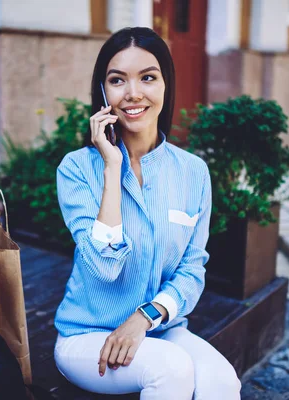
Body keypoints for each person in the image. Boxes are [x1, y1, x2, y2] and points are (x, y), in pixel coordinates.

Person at [53, 27, 242, 399]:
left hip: (158, 328)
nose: (133, 93)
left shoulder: (192, 172)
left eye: (148, 78)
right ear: (103, 91)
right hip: (87, 335)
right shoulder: (77, 170)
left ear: (165, 85)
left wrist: (144, 318)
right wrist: (111, 167)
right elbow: (104, 266)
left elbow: (191, 269)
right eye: (117, 80)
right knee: (170, 370)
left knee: (222, 382)